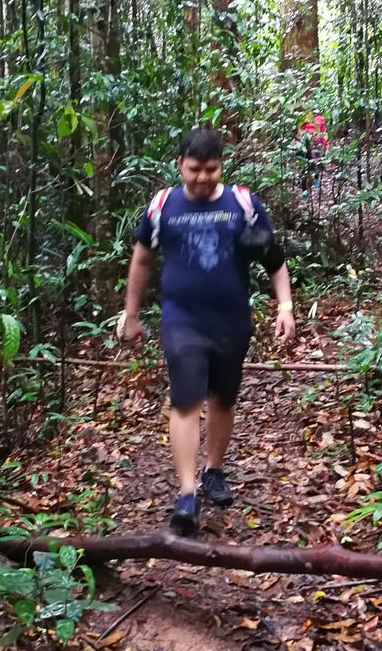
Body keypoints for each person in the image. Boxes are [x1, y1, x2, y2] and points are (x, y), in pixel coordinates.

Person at [118, 127, 296, 535]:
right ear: (180, 165)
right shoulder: (163, 206)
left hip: (231, 320)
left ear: (221, 166)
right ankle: (187, 494)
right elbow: (142, 260)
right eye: (194, 169)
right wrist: (131, 314)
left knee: (223, 397)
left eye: (211, 169)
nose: (202, 177)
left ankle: (213, 470)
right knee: (185, 399)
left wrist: (285, 306)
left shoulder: (242, 205)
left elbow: (274, 259)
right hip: (181, 319)